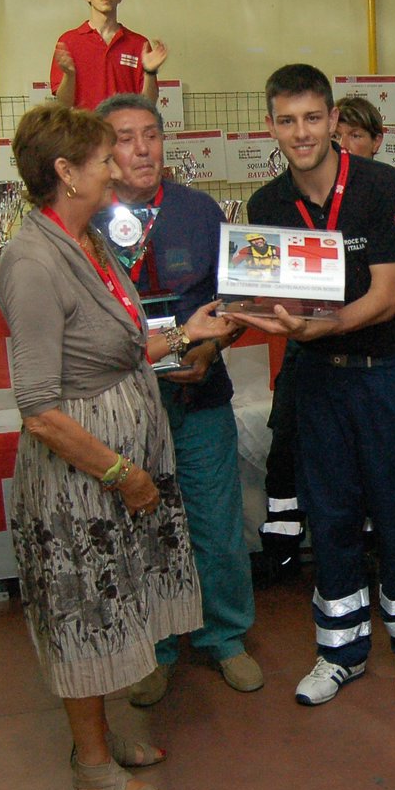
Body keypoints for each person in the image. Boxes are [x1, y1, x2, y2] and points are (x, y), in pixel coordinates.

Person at [0, 103, 202, 790]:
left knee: (115, 602)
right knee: (85, 610)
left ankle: (101, 736)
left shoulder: (89, 242)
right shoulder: (30, 262)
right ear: (65, 172)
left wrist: (183, 337)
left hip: (113, 470)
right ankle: (91, 765)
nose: (117, 168)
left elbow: (116, 346)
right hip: (80, 481)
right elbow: (39, 409)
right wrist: (123, 472)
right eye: (103, 158)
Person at [239, 64, 395, 706]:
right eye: (286, 120)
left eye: (312, 118)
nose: (301, 133)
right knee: (328, 517)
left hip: (386, 377)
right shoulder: (267, 205)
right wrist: (262, 316)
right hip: (318, 382)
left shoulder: (382, 185)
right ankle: (340, 651)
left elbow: (384, 300)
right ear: (271, 126)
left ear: (332, 120)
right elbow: (270, 304)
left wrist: (317, 327)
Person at [92, 93, 260, 706]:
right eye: (125, 137)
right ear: (103, 151)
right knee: (145, 525)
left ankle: (226, 638)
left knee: (216, 521)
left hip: (201, 394)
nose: (141, 149)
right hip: (125, 403)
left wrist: (210, 350)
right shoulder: (88, 220)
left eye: (151, 135)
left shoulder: (199, 210)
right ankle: (156, 647)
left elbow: (234, 300)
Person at [50, 0, 168, 111]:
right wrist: (69, 75)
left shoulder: (139, 44)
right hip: (86, 132)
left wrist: (150, 72)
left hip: (125, 133)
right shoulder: (68, 42)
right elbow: (64, 103)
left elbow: (148, 104)